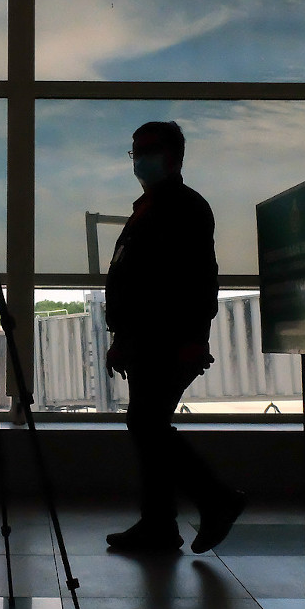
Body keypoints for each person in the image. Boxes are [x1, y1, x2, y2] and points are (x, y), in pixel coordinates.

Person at [104, 120, 245, 554]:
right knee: (149, 425)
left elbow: (195, 282)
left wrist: (190, 339)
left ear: (174, 156)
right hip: (147, 339)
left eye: (147, 149)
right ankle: (159, 524)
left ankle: (213, 500)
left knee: (146, 423)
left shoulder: (183, 208)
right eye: (135, 151)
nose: (139, 159)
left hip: (166, 339)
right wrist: (123, 335)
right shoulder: (149, 208)